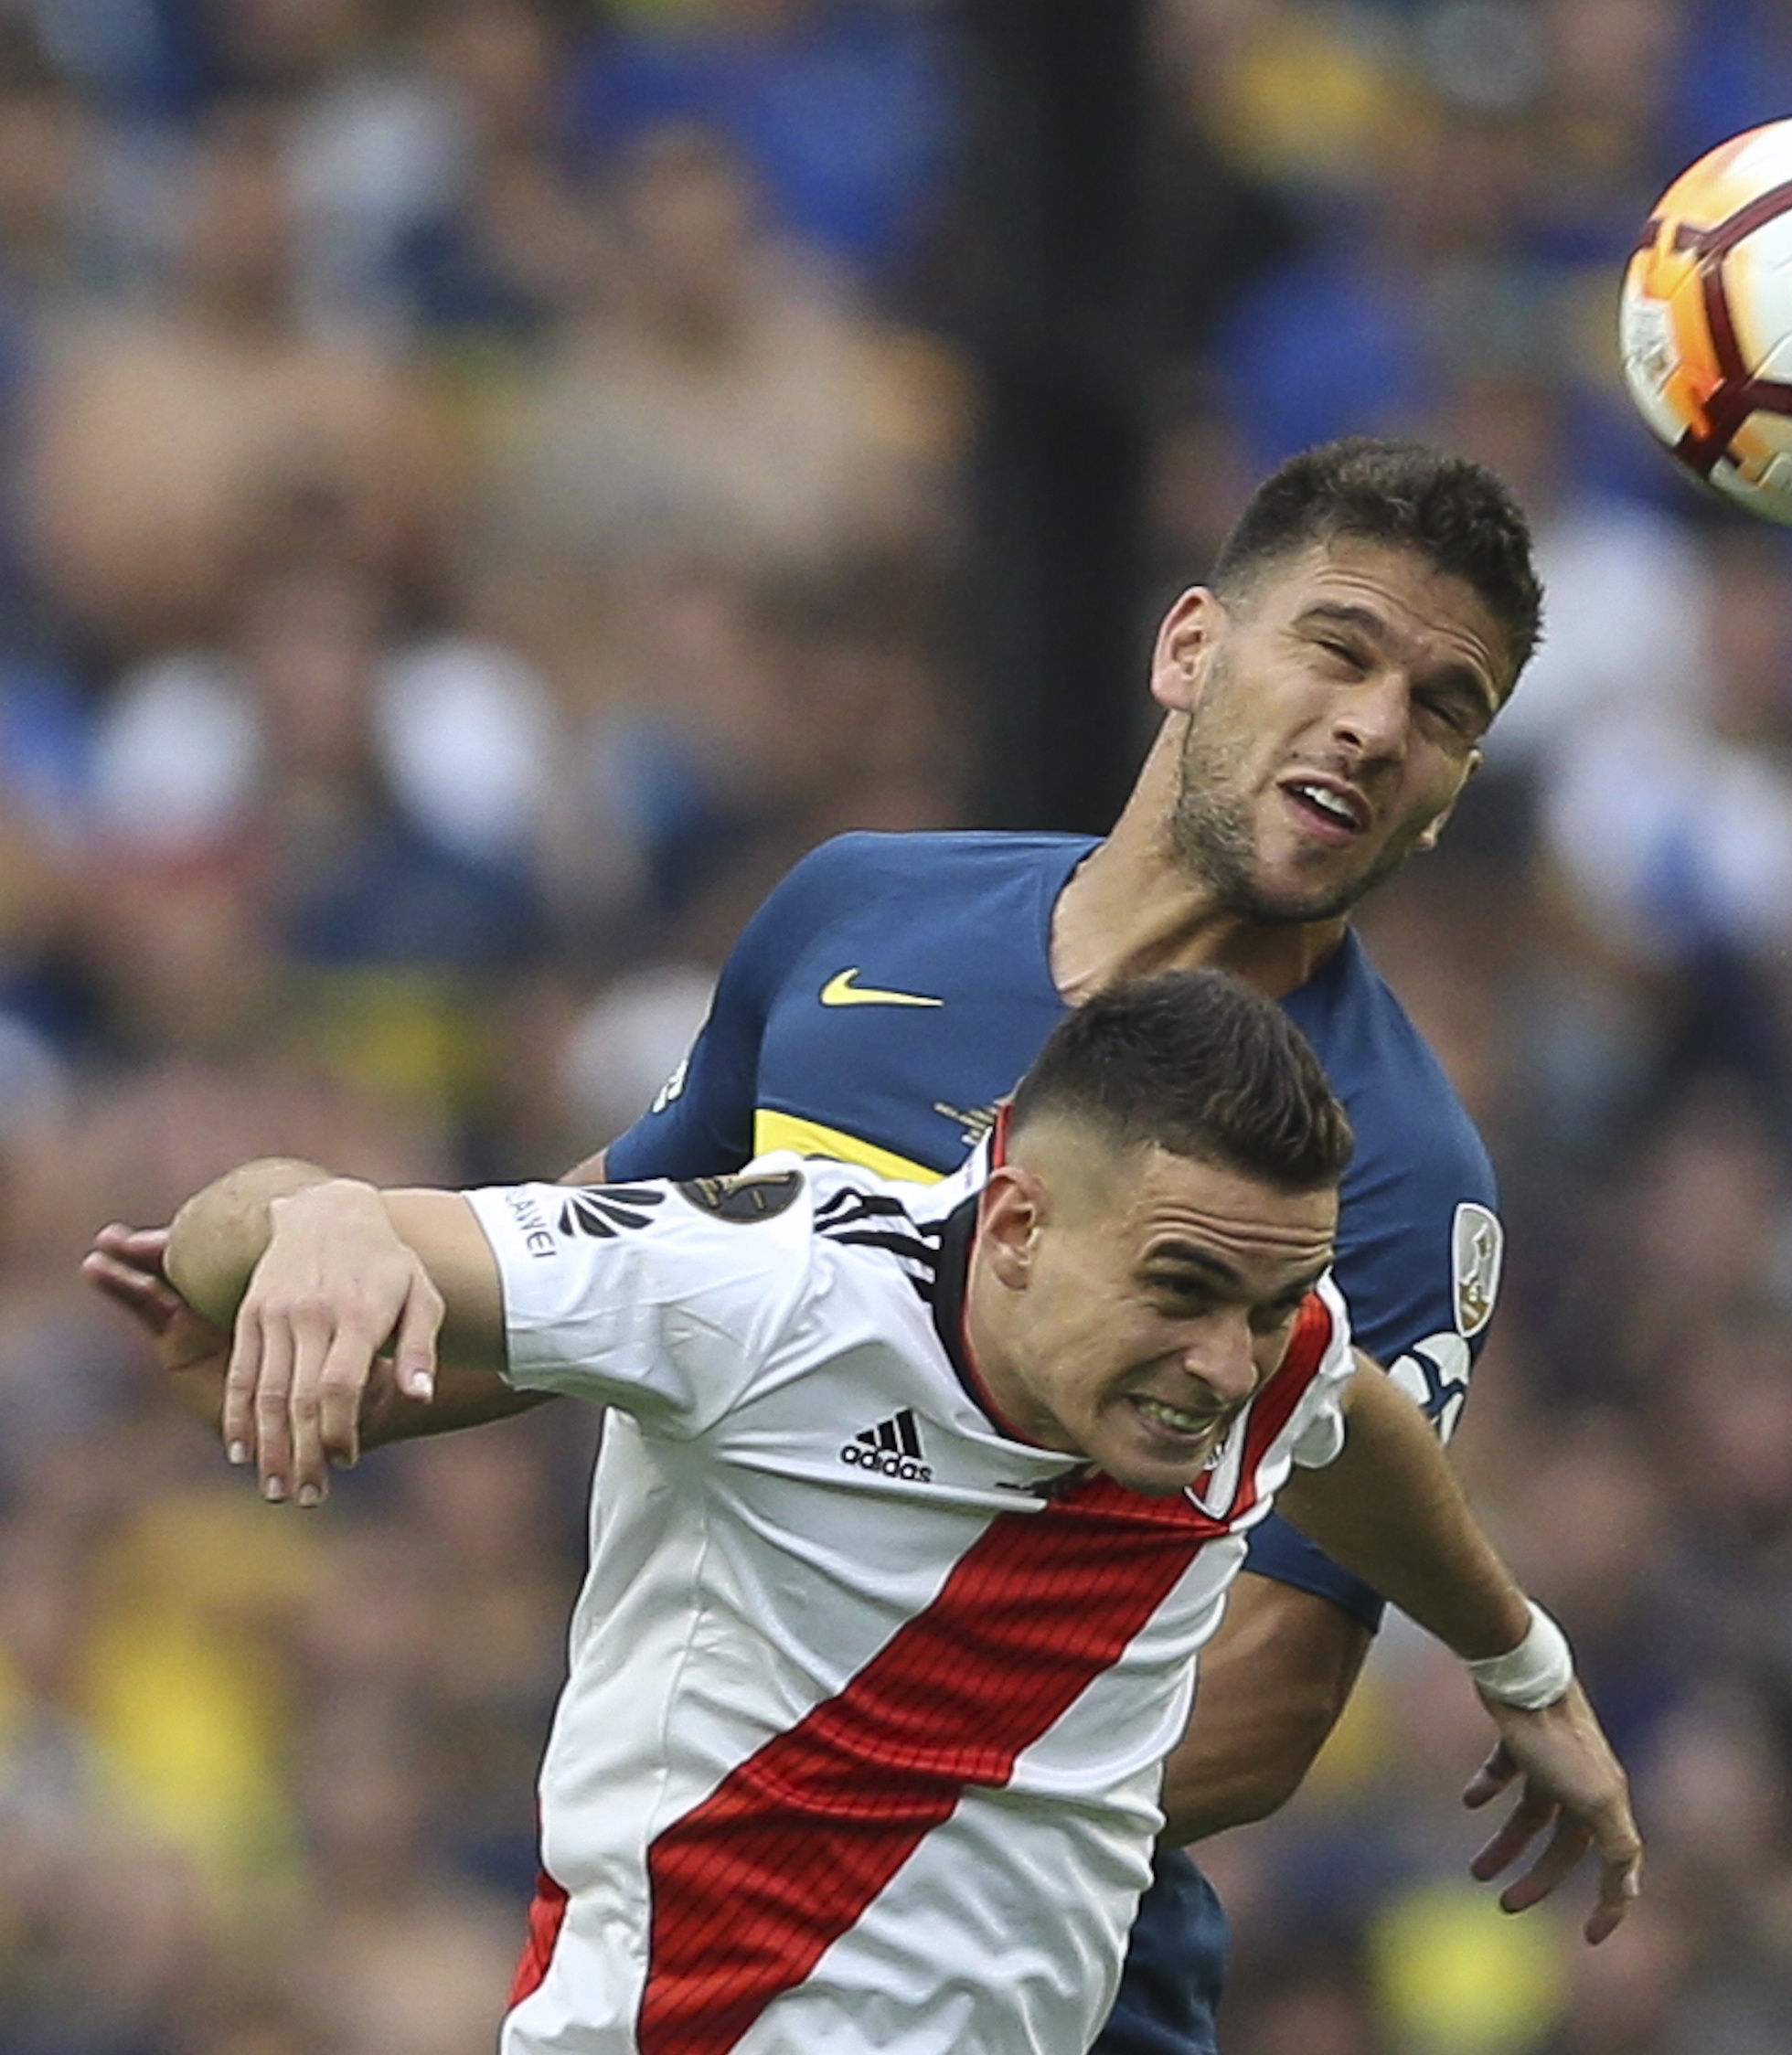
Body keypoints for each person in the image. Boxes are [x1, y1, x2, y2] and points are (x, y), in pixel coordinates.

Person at [88, 435, 1543, 2055]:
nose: (1374, 724)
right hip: (709, 1924)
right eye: (1339, 649)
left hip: (1047, 1982)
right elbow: (602, 1254)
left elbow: (1272, 1690)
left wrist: (848, 1816)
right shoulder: (861, 917)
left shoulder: (1400, 1167)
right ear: (1191, 646)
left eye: (1444, 708)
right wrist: (340, 1345)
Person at [139, 969, 1639, 2055]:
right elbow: (242, 1232)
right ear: (1022, 1224)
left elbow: (1348, 1413)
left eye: (1265, 1305)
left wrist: (1519, 1664)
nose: (1224, 1365)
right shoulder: (758, 1287)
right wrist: (319, 1215)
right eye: (1181, 1293)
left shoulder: (1261, 1347)